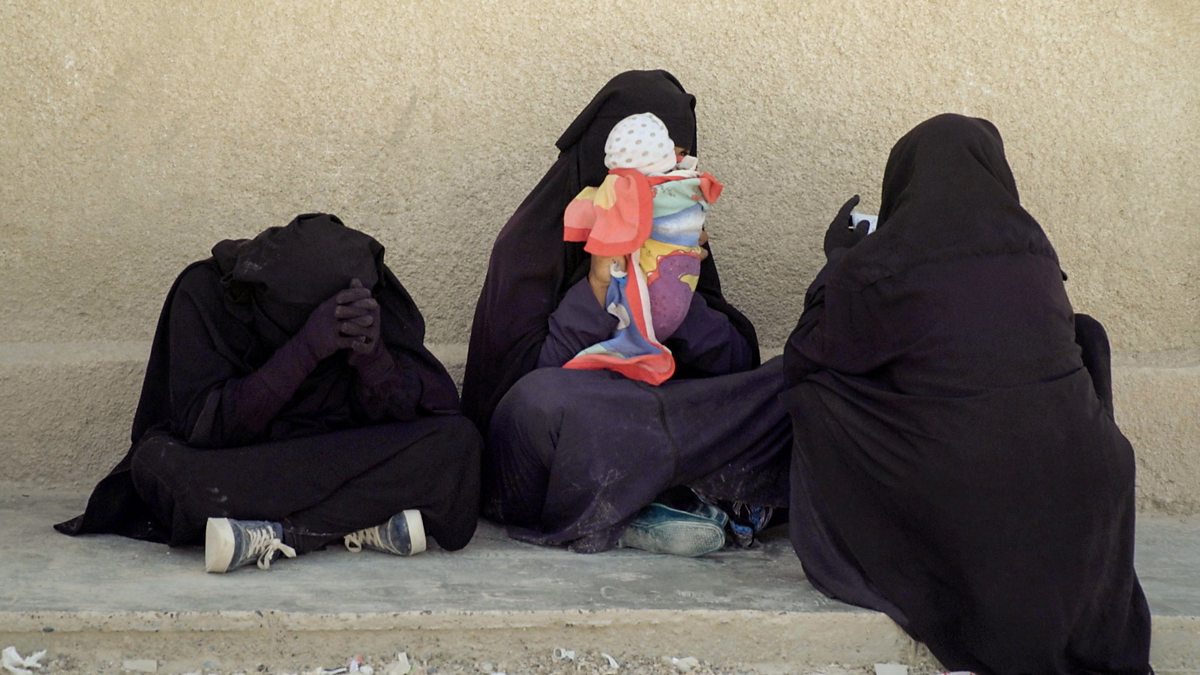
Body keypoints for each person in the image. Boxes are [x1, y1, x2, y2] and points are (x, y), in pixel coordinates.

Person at [782, 114, 1151, 672]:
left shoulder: (884, 264)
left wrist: (841, 263)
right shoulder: (1036, 252)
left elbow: (806, 354)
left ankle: (843, 556)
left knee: (814, 397)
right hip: (1088, 483)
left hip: (967, 482)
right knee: (1086, 335)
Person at [462, 70, 792, 556]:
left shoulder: (677, 226)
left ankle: (656, 504)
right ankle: (677, 499)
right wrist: (601, 284)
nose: (665, 172)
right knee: (544, 402)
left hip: (654, 417)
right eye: (650, 159)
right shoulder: (528, 247)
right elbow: (519, 388)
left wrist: (674, 286)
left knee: (791, 381)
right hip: (567, 431)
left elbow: (732, 366)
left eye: (678, 157)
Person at [56, 213, 481, 573]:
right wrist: (306, 349)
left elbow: (423, 410)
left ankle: (284, 533)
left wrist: (374, 361)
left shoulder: (370, 295)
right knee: (156, 464)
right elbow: (205, 427)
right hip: (250, 463)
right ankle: (358, 518)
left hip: (336, 453)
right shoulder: (208, 294)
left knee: (457, 444)